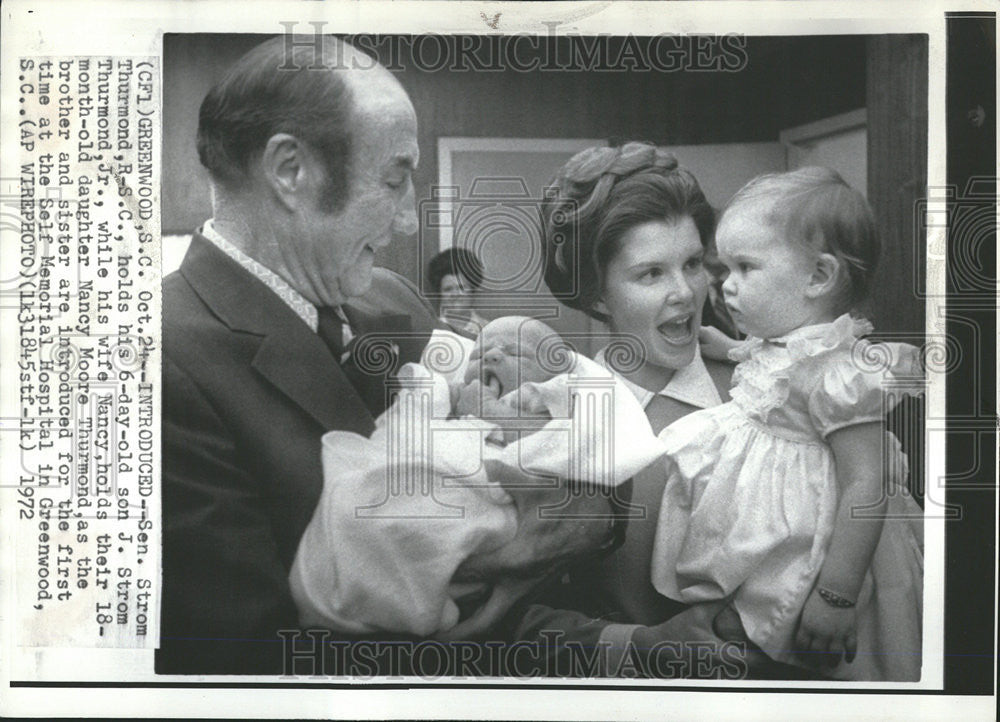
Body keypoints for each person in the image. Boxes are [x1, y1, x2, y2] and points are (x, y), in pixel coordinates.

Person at [158, 35, 445, 674]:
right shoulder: (158, 364)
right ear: (291, 171)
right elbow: (252, 663)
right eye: (396, 178)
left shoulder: (393, 303)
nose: (406, 220)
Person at [504, 142, 772, 677]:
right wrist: (638, 644)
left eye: (694, 264)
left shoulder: (765, 393)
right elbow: (507, 621)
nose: (685, 293)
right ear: (598, 295)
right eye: (651, 274)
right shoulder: (554, 419)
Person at [650, 167, 923, 680]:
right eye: (724, 268)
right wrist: (730, 348)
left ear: (818, 278)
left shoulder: (837, 371)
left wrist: (836, 594)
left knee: (815, 643)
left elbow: (867, 485)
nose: (724, 286)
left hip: (829, 544)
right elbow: (776, 371)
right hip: (782, 519)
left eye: (745, 268)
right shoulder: (788, 338)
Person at [288, 316, 664, 638]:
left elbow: (578, 448)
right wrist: (431, 400)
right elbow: (419, 402)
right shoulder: (458, 396)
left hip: (495, 501)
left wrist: (489, 411)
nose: (493, 356)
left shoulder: (547, 403)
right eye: (479, 355)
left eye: (515, 353)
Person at [427, 247, 489, 337]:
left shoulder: (488, 330)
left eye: (461, 288)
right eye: (448, 289)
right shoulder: (431, 330)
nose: (455, 294)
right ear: (439, 294)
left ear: (473, 291)